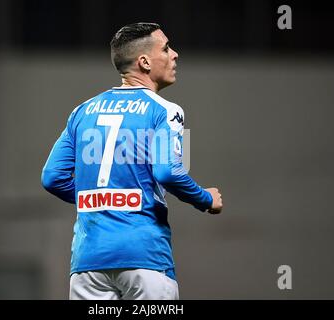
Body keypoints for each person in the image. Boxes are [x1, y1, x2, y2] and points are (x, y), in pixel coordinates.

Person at [41, 22, 223, 300]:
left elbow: (52, 177)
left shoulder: (82, 111)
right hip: (144, 256)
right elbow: (169, 172)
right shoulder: (166, 111)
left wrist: (101, 199)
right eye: (166, 48)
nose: (175, 54)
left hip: (88, 263)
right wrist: (205, 199)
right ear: (144, 62)